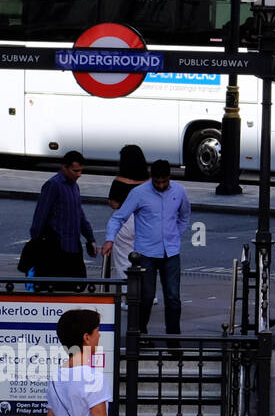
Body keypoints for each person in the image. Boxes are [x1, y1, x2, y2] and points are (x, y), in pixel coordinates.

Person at [104, 160, 191, 341]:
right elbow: (118, 218)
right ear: (152, 178)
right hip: (146, 253)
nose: (160, 185)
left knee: (173, 298)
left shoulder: (179, 191)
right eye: (157, 182)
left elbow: (184, 216)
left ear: (170, 177)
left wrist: (175, 234)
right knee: (146, 296)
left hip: (171, 252)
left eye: (164, 182)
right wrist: (110, 239)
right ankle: (140, 335)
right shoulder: (139, 193)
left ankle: (173, 339)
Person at [30, 151, 96, 279]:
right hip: (56, 247)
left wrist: (90, 238)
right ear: (64, 167)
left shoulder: (74, 187)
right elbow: (40, 215)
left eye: (80, 171)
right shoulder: (53, 185)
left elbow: (80, 215)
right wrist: (35, 242)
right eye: (75, 171)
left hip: (73, 246)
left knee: (76, 285)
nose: (79, 175)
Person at [105, 145, 149, 279]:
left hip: (125, 221)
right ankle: (148, 294)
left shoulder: (119, 181)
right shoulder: (148, 181)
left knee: (124, 259)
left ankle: (128, 292)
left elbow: (115, 204)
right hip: (145, 220)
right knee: (145, 259)